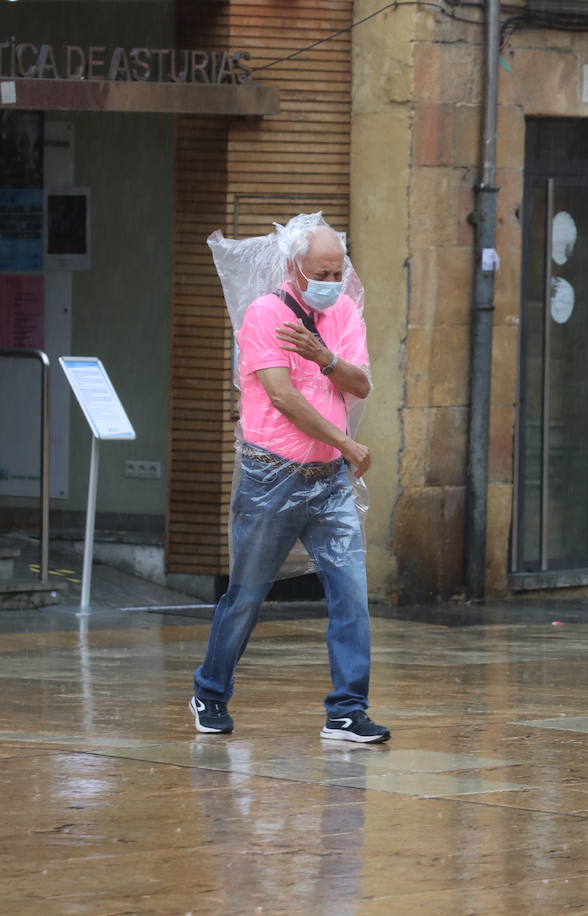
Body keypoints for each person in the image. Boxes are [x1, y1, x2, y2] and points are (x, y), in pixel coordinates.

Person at [190, 216, 389, 743]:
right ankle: (210, 690)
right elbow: (281, 395)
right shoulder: (265, 314)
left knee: (350, 593)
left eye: (339, 269)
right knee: (247, 595)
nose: (333, 279)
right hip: (270, 476)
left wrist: (325, 357)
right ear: (294, 269)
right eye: (322, 270)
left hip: (328, 481)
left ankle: (347, 710)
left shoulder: (343, 310)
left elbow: (361, 383)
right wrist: (346, 443)